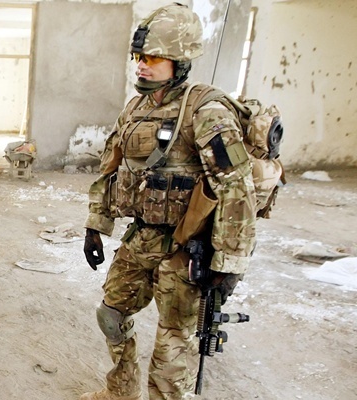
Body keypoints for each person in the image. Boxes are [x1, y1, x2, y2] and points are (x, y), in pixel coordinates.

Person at [80, 4, 255, 400]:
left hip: (185, 248)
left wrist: (228, 263)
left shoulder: (207, 110)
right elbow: (111, 168)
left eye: (153, 58)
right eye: (140, 57)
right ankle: (121, 391)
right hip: (141, 237)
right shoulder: (137, 107)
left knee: (172, 343)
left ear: (180, 60)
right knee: (111, 314)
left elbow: (235, 188)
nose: (142, 66)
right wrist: (96, 224)